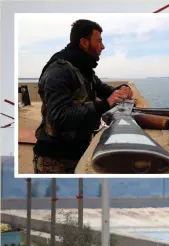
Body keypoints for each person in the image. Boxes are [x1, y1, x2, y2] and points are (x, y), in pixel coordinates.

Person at [33, 19, 133, 174]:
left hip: (77, 153)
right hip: (55, 161)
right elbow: (59, 117)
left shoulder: (83, 68)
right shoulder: (59, 71)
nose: (103, 46)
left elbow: (103, 89)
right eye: (99, 41)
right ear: (84, 42)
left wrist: (122, 90)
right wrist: (105, 104)